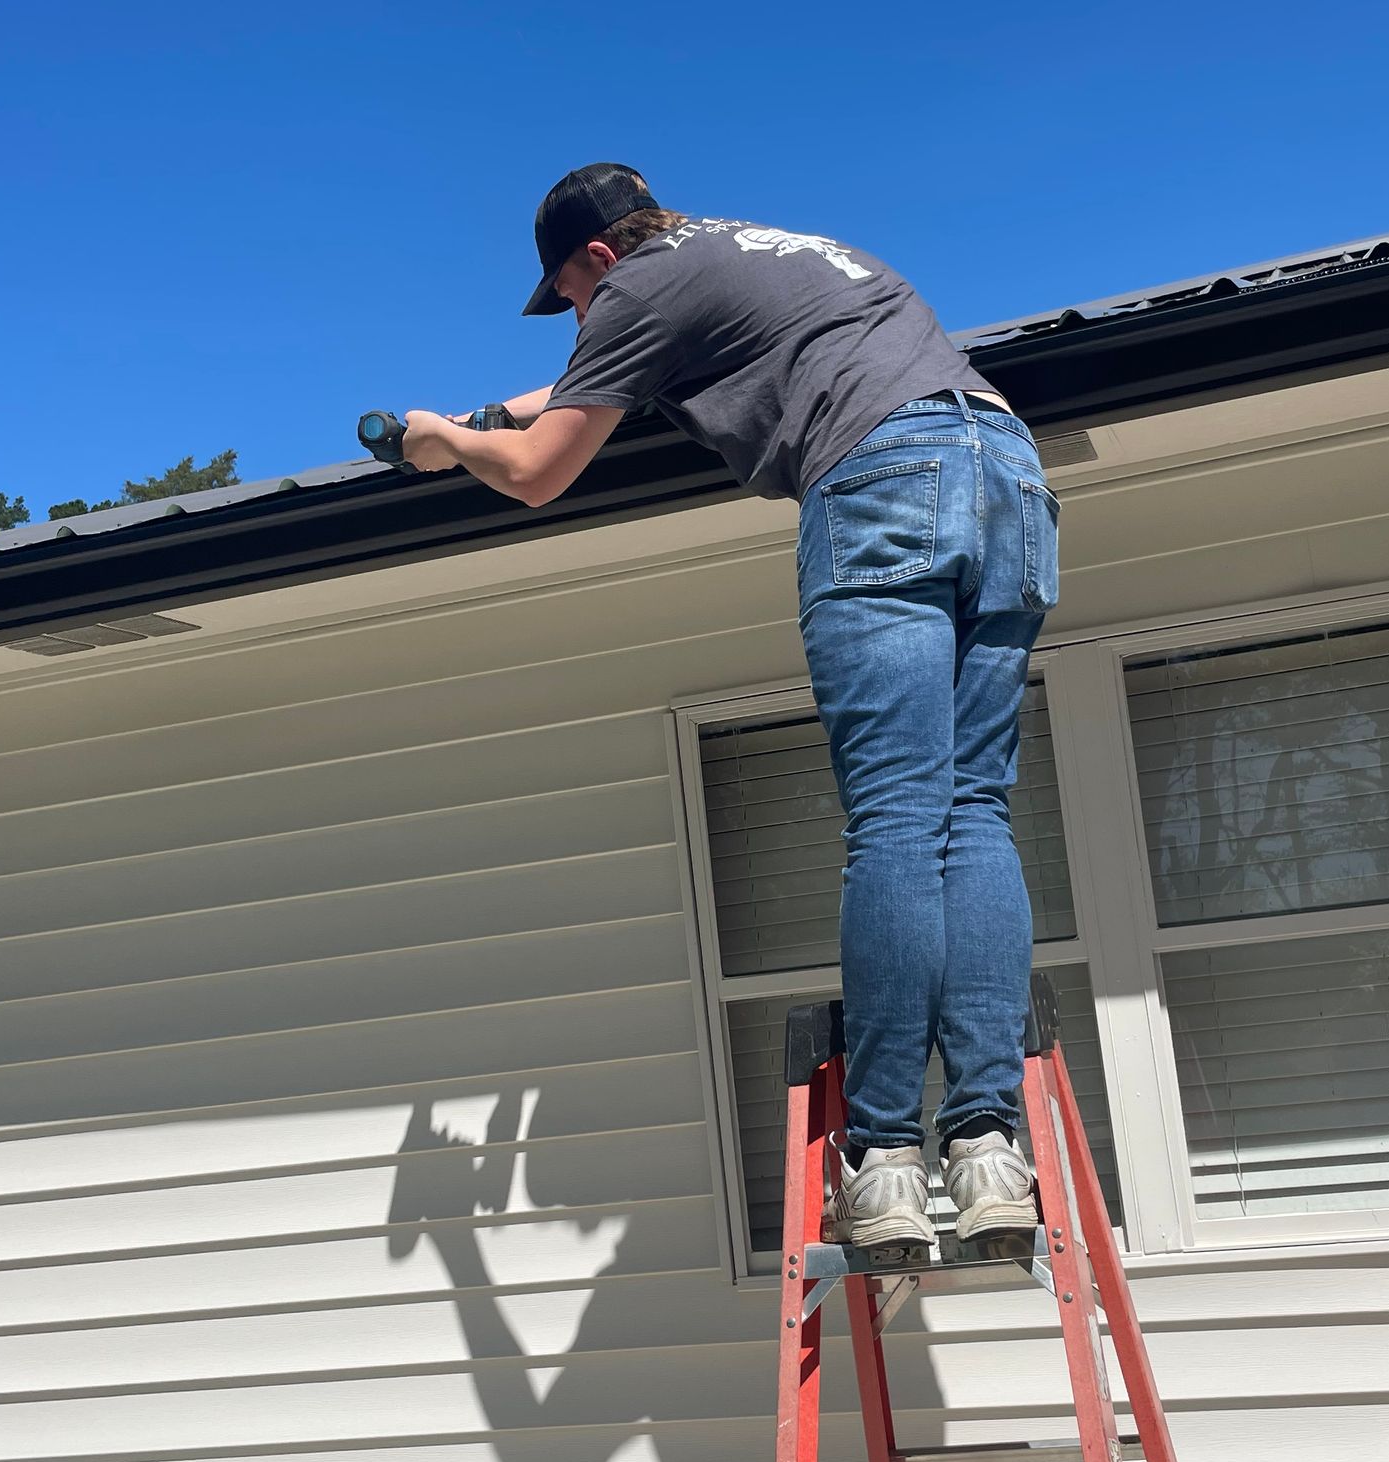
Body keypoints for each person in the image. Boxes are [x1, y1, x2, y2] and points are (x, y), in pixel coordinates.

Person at [402, 163, 1060, 1265]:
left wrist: (446, 444)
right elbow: (567, 390)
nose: (576, 314)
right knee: (973, 814)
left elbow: (538, 467)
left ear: (600, 259)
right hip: (1009, 473)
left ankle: (890, 1158)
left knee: (898, 819)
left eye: (568, 292)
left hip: (884, 479)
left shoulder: (638, 289)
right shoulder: (774, 253)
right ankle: (989, 1147)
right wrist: (483, 409)